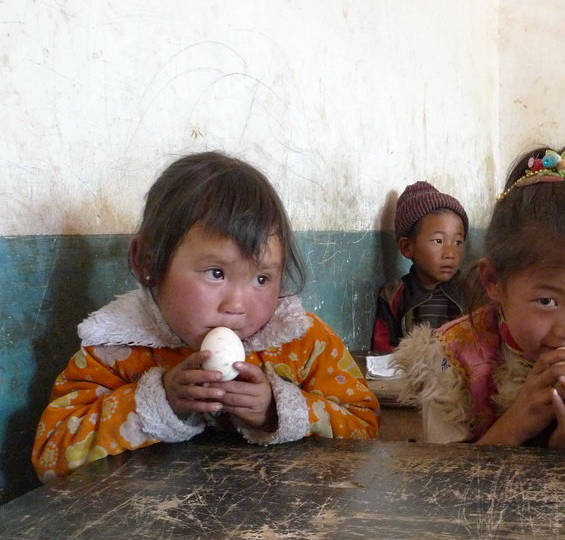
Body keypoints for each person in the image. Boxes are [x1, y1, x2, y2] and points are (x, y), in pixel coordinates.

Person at [33, 152, 380, 480]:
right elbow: (52, 457)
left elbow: (365, 426)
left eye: (262, 279)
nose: (238, 305)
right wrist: (158, 401)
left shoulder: (304, 344)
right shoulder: (114, 351)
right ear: (148, 262)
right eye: (216, 273)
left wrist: (278, 410)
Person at [392, 146, 565, 448]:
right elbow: (443, 481)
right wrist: (515, 425)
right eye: (547, 301)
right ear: (493, 281)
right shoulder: (451, 361)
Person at [371, 181, 469, 352]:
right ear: (407, 247)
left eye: (458, 242)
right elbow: (383, 352)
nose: (450, 253)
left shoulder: (471, 290)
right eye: (438, 241)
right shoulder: (394, 295)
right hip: (412, 373)